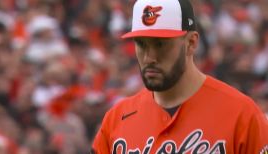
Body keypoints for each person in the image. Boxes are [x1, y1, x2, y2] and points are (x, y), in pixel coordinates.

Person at [91, 0, 268, 153]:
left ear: (191, 43)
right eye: (141, 44)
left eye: (161, 44)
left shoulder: (241, 114)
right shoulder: (117, 119)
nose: (149, 57)